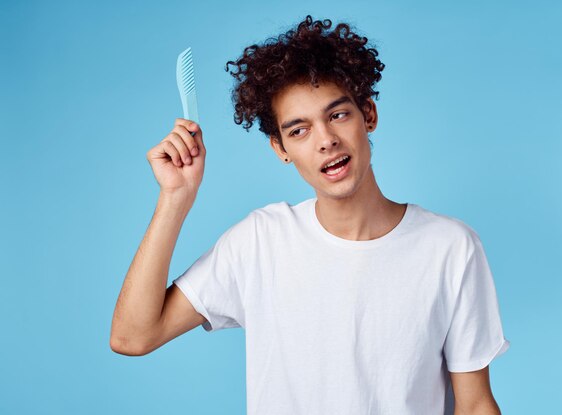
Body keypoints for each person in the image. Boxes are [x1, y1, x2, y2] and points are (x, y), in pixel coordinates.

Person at [110, 15, 510, 415]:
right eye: (299, 130)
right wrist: (175, 198)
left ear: (368, 114)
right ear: (280, 148)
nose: (326, 140)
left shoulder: (450, 248)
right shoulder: (260, 243)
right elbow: (133, 337)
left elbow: (475, 404)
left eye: (337, 115)